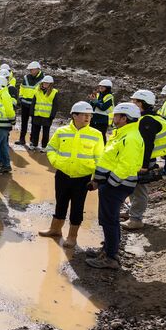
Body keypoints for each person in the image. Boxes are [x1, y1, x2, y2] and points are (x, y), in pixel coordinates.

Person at [87, 103, 145, 270]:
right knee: (108, 219)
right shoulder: (123, 134)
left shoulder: (131, 138)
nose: (113, 118)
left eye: (116, 116)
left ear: (124, 118)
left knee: (109, 220)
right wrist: (99, 180)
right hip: (113, 184)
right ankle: (107, 250)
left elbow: (126, 166)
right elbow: (110, 160)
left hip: (117, 185)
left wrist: (110, 184)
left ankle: (110, 257)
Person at [40, 101, 104, 250]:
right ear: (74, 115)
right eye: (84, 115)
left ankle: (72, 237)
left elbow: (100, 158)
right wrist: (56, 162)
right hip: (63, 174)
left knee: (77, 206)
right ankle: (55, 229)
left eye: (89, 115)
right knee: (60, 202)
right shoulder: (62, 131)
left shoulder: (96, 134)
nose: (88, 117)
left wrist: (96, 179)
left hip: (82, 178)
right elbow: (51, 148)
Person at [123, 89, 166, 231]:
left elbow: (147, 145)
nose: (132, 103)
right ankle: (132, 212)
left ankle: (136, 219)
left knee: (138, 189)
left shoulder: (147, 120)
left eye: (135, 101)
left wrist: (143, 166)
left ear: (142, 103)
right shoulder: (147, 117)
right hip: (143, 158)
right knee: (132, 187)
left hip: (144, 159)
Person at [16, 61, 45, 146]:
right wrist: (20, 97)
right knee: (24, 122)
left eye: (32, 69)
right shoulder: (26, 77)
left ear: (37, 69)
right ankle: (22, 139)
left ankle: (32, 141)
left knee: (34, 124)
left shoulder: (43, 79)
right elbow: (21, 87)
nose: (30, 71)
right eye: (30, 70)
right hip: (25, 103)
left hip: (35, 105)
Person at [0, 76, 16, 173]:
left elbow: (9, 110)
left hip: (2, 124)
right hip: (4, 124)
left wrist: (12, 120)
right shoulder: (4, 93)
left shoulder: (3, 94)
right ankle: (6, 165)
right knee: (3, 145)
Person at [29, 75, 58, 150]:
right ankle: (34, 144)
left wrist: (52, 115)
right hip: (37, 114)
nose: (45, 84)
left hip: (47, 116)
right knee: (35, 131)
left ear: (50, 84)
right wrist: (32, 112)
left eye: (47, 83)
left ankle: (44, 146)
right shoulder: (37, 91)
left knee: (46, 132)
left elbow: (55, 105)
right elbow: (33, 102)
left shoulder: (54, 92)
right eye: (44, 83)